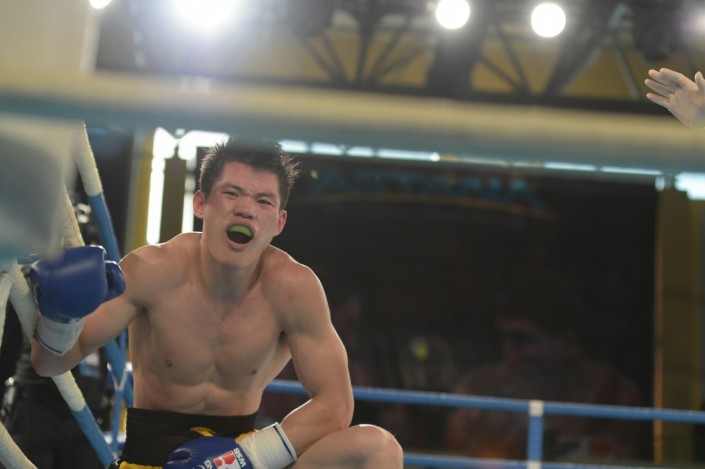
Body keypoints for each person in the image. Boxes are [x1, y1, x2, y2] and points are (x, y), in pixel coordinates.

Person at [29, 137, 404, 469]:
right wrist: (60, 319)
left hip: (241, 460)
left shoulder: (293, 289)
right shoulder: (152, 270)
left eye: (263, 200)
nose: (246, 209)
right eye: (232, 193)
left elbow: (336, 405)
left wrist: (244, 458)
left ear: (279, 222)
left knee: (377, 449)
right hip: (150, 461)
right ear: (201, 203)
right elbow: (49, 363)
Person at [445, 273, 644, 461]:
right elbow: (451, 450)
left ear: (566, 342)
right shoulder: (479, 386)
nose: (511, 353)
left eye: (522, 340)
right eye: (504, 338)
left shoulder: (615, 395)